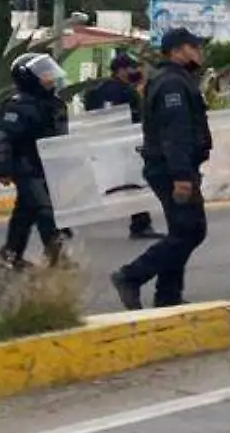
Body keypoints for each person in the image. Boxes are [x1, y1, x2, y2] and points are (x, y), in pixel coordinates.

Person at [110, 28, 213, 310]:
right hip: (171, 170)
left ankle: (168, 295)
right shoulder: (172, 84)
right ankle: (130, 276)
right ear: (179, 50)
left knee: (182, 231)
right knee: (191, 231)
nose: (199, 52)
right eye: (195, 47)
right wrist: (181, 176)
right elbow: (175, 133)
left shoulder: (175, 79)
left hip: (172, 167)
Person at [0, 53, 70, 269]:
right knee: (45, 210)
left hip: (46, 166)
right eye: (44, 74)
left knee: (25, 212)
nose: (50, 78)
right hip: (26, 166)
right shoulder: (17, 106)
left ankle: (11, 253)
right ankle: (57, 257)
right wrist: (3, 169)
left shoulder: (53, 104)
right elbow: (3, 138)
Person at [82, 52, 157, 239]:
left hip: (103, 146)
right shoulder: (126, 92)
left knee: (111, 184)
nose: (137, 71)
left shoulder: (97, 90)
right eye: (133, 68)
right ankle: (141, 224)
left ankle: (139, 222)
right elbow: (137, 119)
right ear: (122, 70)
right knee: (135, 183)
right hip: (126, 146)